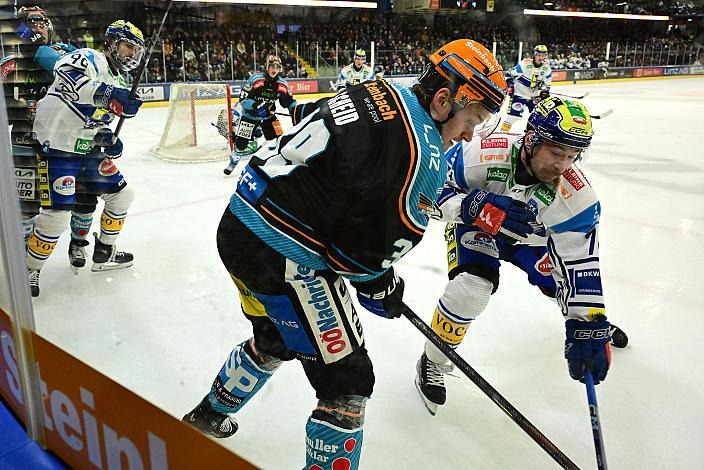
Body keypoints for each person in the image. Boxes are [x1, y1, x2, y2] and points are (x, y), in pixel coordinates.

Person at [182, 39, 508, 470]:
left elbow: (311, 117)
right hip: (282, 254)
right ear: (445, 100)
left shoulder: (377, 88)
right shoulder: (422, 159)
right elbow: (357, 261)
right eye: (472, 120)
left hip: (239, 223)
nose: (468, 134)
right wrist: (382, 285)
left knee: (277, 337)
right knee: (348, 383)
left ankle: (206, 416)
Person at [414, 97, 628, 415]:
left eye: (572, 155)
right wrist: (470, 206)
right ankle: (433, 359)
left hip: (530, 240)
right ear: (531, 140)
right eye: (556, 152)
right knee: (471, 290)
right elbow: (425, 192)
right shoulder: (479, 149)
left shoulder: (578, 199)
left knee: (559, 285)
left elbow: (578, 266)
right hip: (478, 227)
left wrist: (587, 321)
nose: (563, 165)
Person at [26, 20, 145, 296]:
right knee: (56, 215)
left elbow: (95, 121)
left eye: (136, 50)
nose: (131, 54)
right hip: (55, 148)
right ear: (113, 43)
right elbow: (66, 74)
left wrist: (106, 137)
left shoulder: (119, 81)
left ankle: (104, 252)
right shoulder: (89, 58)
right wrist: (108, 94)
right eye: (128, 46)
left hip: (85, 151)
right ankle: (31, 267)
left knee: (123, 195)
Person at [2, 5, 76, 243]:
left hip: (59, 143)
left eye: (42, 24)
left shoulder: (64, 54)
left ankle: (77, 246)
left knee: (70, 203)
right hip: (23, 143)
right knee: (26, 206)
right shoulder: (9, 63)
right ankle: (23, 258)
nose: (38, 28)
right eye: (31, 25)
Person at [223, 54, 298, 175]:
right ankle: (233, 161)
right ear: (267, 67)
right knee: (241, 144)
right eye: (272, 66)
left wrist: (296, 112)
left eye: (277, 67)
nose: (274, 70)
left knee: (278, 140)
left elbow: (288, 102)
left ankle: (268, 160)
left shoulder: (282, 84)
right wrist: (256, 105)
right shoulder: (256, 79)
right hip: (249, 116)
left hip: (268, 116)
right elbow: (243, 99)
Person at [501, 45, 552, 132]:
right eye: (539, 55)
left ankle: (533, 135)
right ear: (534, 55)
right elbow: (509, 74)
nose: (541, 58)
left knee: (539, 118)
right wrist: (510, 85)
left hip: (535, 97)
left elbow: (547, 84)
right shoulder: (525, 64)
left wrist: (544, 91)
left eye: (543, 56)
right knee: (512, 117)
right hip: (520, 94)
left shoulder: (546, 68)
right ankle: (503, 132)